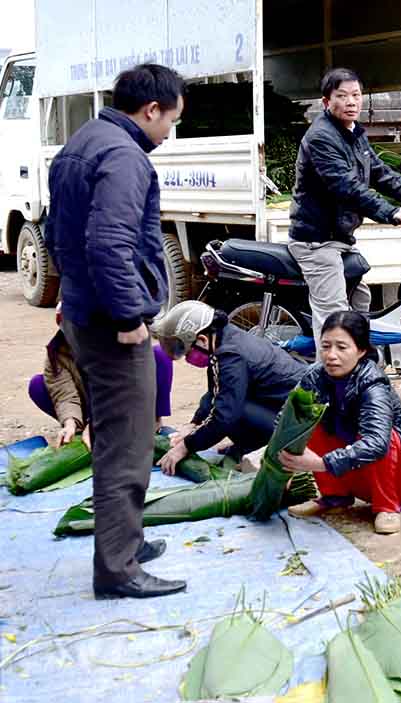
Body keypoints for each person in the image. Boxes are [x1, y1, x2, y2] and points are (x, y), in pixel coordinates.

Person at [45, 63, 186, 600]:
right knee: (128, 445)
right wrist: (130, 317)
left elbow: (61, 236)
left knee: (112, 435)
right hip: (111, 324)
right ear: (151, 110)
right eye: (171, 120)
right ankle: (119, 568)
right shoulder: (126, 157)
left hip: (83, 312)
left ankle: (122, 541)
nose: (169, 132)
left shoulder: (82, 141)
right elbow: (108, 243)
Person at [288, 67, 401, 353]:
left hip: (340, 238)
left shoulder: (354, 134)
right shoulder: (322, 137)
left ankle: (360, 370)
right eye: (342, 96)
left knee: (361, 303)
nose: (351, 102)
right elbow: (348, 188)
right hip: (317, 241)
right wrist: (392, 213)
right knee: (336, 319)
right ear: (327, 102)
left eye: (356, 95)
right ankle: (327, 387)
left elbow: (380, 174)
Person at [282, 312, 401, 535]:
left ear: (361, 351)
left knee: (383, 436)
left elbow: (377, 444)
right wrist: (280, 462)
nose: (331, 355)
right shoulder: (315, 376)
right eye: (325, 346)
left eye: (341, 347)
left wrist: (320, 463)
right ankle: (335, 497)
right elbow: (286, 419)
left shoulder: (374, 384)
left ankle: (387, 507)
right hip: (355, 473)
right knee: (309, 422)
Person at [151, 301, 307, 472]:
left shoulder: (230, 357)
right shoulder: (226, 337)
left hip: (295, 427)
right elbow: (215, 392)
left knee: (232, 411)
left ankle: (255, 448)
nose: (188, 359)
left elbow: (224, 416)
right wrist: (194, 423)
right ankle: (248, 445)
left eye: (188, 353)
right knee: (228, 401)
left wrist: (184, 447)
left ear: (202, 340)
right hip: (281, 411)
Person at [28, 304, 174, 446]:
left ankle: (153, 424)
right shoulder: (56, 353)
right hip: (87, 406)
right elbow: (64, 394)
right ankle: (80, 431)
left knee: (160, 355)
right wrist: (70, 422)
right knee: (37, 385)